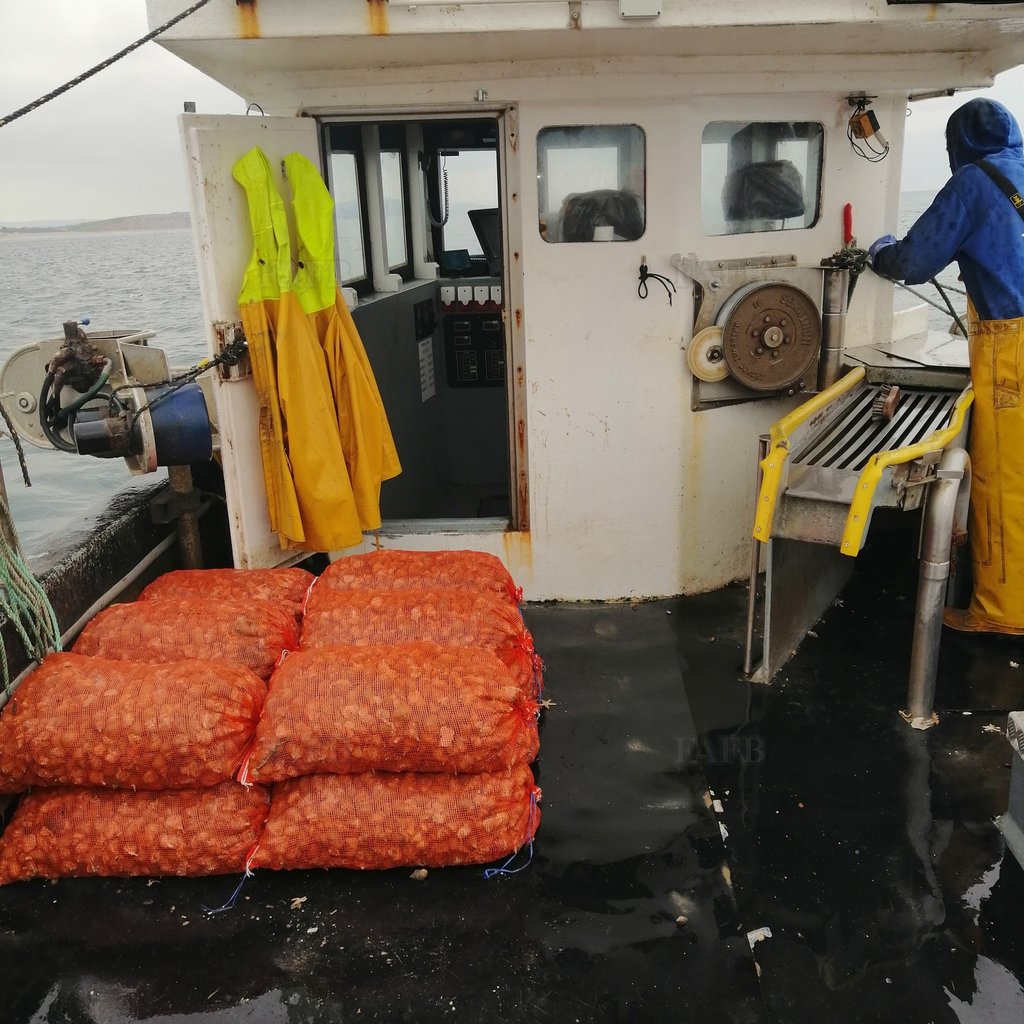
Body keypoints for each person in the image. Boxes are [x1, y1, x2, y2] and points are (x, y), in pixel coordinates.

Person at [870, 97, 1024, 634]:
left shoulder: (973, 183)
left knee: (1005, 480)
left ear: (958, 143)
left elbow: (914, 262)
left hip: (1012, 349)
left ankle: (1004, 613)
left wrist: (881, 252)